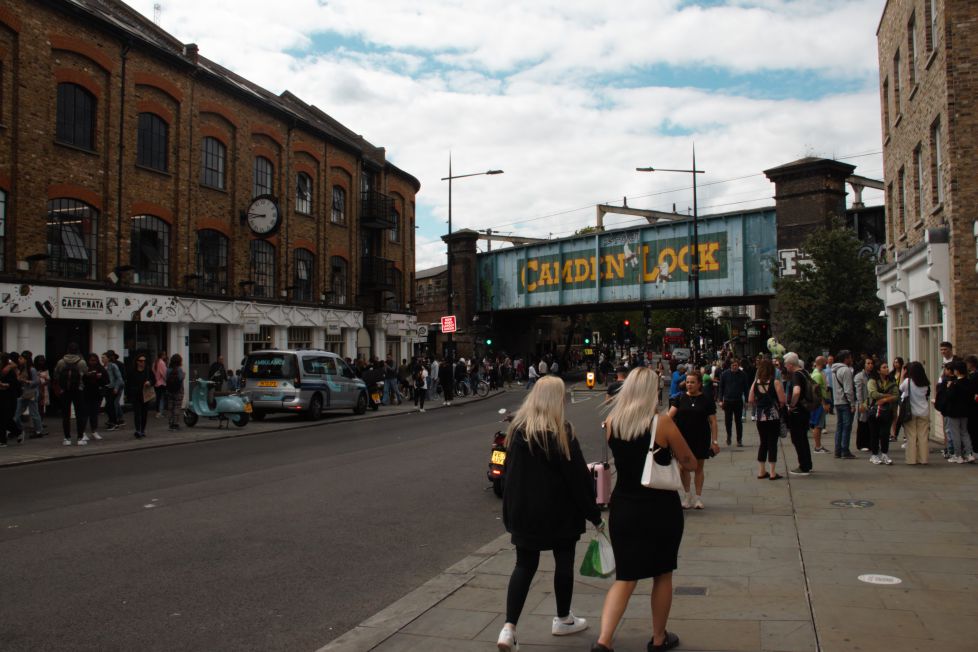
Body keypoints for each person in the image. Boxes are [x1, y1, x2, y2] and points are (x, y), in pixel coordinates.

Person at [594, 367, 696, 652]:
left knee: (625, 577)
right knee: (662, 573)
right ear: (652, 392)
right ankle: (659, 638)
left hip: (624, 507)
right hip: (659, 508)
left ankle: (604, 640)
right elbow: (689, 462)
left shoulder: (611, 422)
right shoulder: (662, 423)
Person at [497, 376, 601, 651]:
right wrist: (594, 514)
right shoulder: (562, 432)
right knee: (563, 561)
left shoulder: (518, 430)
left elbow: (509, 475)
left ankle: (508, 628)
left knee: (524, 565)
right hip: (559, 512)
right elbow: (578, 480)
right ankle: (563, 618)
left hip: (524, 512)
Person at [668, 369, 719, 509]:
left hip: (701, 438)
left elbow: (713, 421)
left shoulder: (707, 399)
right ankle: (687, 496)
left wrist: (714, 442)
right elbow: (669, 417)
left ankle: (698, 498)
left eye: (692, 382)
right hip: (683, 439)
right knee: (683, 468)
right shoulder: (679, 398)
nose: (689, 385)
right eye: (687, 382)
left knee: (699, 468)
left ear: (699, 384)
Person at [749, 358, 786, 480]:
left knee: (763, 442)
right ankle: (772, 472)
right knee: (772, 443)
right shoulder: (775, 383)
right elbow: (782, 400)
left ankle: (761, 471)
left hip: (760, 417)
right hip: (773, 416)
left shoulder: (755, 383)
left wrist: (759, 404)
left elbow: (750, 399)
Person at [783, 353, 813, 475]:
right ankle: (807, 463)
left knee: (797, 439)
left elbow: (796, 392)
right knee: (803, 438)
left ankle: (803, 466)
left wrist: (791, 405)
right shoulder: (804, 372)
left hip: (797, 412)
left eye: (786, 364)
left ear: (790, 365)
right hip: (805, 410)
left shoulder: (796, 375)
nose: (785, 367)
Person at [54, 342, 88, 446]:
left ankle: (67, 438)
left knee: (65, 415)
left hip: (65, 390)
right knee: (80, 414)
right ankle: (80, 438)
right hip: (78, 390)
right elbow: (85, 374)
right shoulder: (81, 362)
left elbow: (56, 375)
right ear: (78, 350)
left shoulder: (61, 362)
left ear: (67, 350)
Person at [866, 362, 899, 465]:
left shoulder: (891, 381)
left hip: (887, 411)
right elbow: (873, 394)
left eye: (887, 367)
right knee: (874, 433)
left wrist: (885, 399)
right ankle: (874, 455)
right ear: (878, 370)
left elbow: (896, 395)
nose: (887, 369)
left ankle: (884, 454)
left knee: (885, 434)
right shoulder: (872, 381)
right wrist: (888, 395)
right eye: (884, 367)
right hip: (874, 411)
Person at [943, 360, 976, 464]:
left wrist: (948, 388)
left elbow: (950, 397)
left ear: (957, 371)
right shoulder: (969, 382)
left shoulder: (955, 383)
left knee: (955, 433)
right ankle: (969, 454)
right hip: (965, 411)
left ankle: (958, 455)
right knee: (964, 432)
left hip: (954, 412)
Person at [900, 362, 931, 464]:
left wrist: (902, 375)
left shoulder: (908, 381)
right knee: (923, 436)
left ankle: (911, 459)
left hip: (911, 412)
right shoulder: (925, 383)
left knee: (911, 436)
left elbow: (900, 388)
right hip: (924, 411)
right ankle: (923, 459)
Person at [830, 350, 857, 459]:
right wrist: (852, 404)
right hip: (845, 402)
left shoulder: (834, 370)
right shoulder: (846, 370)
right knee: (846, 427)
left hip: (837, 401)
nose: (851, 359)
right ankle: (844, 450)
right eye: (850, 357)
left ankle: (838, 450)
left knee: (840, 426)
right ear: (846, 359)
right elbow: (848, 389)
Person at [718, 358, 749, 447]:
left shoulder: (743, 374)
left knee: (738, 421)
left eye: (736, 365)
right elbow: (721, 388)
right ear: (730, 366)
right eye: (733, 365)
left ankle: (739, 439)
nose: (735, 367)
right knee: (728, 421)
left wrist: (746, 401)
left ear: (738, 366)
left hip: (738, 400)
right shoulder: (725, 374)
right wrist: (720, 400)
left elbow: (746, 388)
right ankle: (729, 436)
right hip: (727, 401)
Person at [15, 353, 45, 439]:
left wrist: (26, 381)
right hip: (24, 393)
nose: (19, 360)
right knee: (16, 414)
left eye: (21, 358)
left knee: (34, 413)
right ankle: (19, 430)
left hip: (32, 393)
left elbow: (36, 382)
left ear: (25, 360)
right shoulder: (21, 368)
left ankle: (39, 431)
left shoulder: (32, 369)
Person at [82, 353, 108, 442]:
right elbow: (81, 380)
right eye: (91, 360)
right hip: (86, 394)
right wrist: (87, 376)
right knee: (85, 414)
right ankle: (82, 432)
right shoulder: (85, 369)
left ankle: (94, 431)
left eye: (95, 360)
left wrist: (99, 377)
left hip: (97, 394)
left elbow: (106, 381)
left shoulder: (101, 369)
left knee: (94, 414)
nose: (93, 362)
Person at [127, 354, 154, 439]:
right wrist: (129, 394)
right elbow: (128, 383)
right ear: (137, 362)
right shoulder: (132, 371)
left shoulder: (148, 370)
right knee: (137, 413)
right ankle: (138, 430)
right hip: (136, 395)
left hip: (145, 395)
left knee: (144, 413)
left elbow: (154, 380)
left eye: (144, 361)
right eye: (141, 361)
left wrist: (149, 382)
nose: (143, 363)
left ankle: (142, 430)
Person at [0, 353, 21, 446]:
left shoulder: (10, 371)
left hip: (9, 397)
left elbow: (14, 384)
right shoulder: (3, 369)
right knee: (3, 419)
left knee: (5, 418)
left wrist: (5, 385)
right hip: (2, 396)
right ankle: (17, 433)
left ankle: (3, 440)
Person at [809, 356, 830, 453]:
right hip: (819, 404)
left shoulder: (817, 373)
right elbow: (816, 391)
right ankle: (817, 446)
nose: (826, 363)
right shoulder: (817, 375)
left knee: (819, 425)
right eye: (825, 362)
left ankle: (819, 446)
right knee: (818, 425)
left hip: (818, 403)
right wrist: (823, 403)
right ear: (821, 362)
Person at [854, 357, 874, 453]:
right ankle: (862, 444)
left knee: (871, 423)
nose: (870, 365)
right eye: (868, 363)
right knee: (863, 423)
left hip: (872, 403)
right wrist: (861, 403)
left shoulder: (873, 376)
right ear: (864, 365)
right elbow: (859, 391)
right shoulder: (859, 376)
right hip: (863, 402)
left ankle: (871, 443)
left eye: (871, 363)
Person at [104, 352, 124, 430]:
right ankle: (113, 421)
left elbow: (119, 378)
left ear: (108, 358)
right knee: (109, 405)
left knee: (112, 405)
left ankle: (116, 422)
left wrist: (116, 388)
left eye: (104, 357)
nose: (102, 359)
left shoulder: (113, 366)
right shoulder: (104, 366)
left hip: (114, 387)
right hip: (107, 388)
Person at [34, 355, 50, 420]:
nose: (42, 362)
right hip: (35, 388)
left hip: (43, 389)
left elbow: (48, 380)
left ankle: (41, 421)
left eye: (43, 360)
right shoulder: (33, 369)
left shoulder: (45, 370)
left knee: (41, 406)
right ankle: (36, 421)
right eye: (40, 360)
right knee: (35, 406)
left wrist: (43, 383)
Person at [153, 350, 168, 418]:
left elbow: (153, 371)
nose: (165, 356)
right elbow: (164, 373)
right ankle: (160, 413)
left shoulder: (155, 362)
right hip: (161, 383)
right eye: (164, 354)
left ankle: (157, 412)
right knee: (161, 398)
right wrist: (167, 380)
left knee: (158, 398)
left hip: (156, 383)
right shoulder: (161, 363)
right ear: (162, 355)